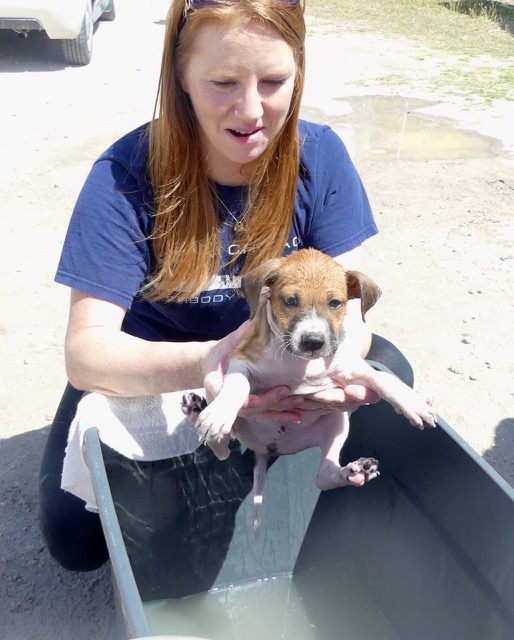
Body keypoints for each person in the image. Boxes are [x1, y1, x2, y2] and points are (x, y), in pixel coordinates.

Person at [39, 0, 412, 575]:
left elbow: (352, 313)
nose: (250, 109)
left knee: (393, 371)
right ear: (180, 77)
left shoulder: (321, 156)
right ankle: (224, 453)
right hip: (163, 366)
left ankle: (285, 464)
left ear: (300, 70)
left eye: (273, 81)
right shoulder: (125, 175)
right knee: (77, 538)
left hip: (280, 358)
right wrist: (213, 364)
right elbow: (86, 353)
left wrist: (320, 379)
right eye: (221, 82)